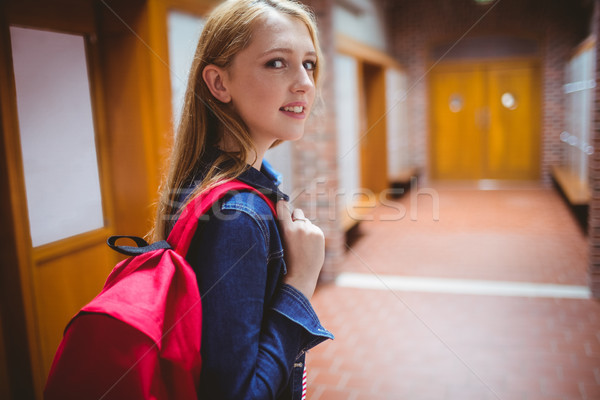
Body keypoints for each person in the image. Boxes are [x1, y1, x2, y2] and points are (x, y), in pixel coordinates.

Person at [152, 0, 333, 398]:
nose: (304, 82)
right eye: (276, 63)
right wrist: (301, 282)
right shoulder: (238, 215)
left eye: (308, 64)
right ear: (219, 84)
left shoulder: (223, 185)